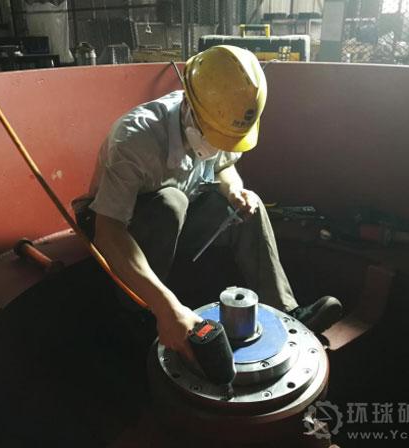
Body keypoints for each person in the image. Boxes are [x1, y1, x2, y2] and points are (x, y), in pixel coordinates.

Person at [74, 45, 341, 361]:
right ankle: (138, 314)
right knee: (170, 203)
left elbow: (223, 165)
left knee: (249, 205)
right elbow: (108, 231)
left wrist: (235, 190)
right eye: (214, 136)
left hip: (178, 215)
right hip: (118, 231)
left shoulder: (223, 115)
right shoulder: (136, 139)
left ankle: (287, 312)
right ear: (188, 104)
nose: (219, 146)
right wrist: (167, 308)